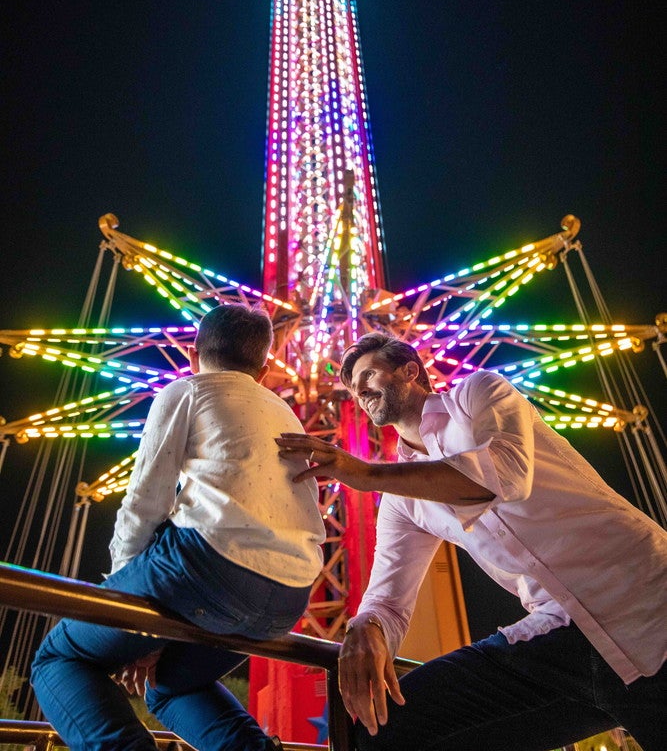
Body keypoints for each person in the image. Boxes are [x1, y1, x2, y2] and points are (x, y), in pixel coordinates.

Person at [276, 332, 667, 751]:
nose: (360, 390)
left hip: (642, 598)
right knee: (385, 735)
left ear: (410, 371)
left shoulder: (479, 392)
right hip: (560, 637)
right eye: (353, 386)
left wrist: (366, 474)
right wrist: (365, 628)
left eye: (368, 374)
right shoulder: (401, 502)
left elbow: (506, 475)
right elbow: (387, 601)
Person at [32, 303, 325, 751]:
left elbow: (145, 502)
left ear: (192, 355)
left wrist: (130, 611)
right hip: (290, 595)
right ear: (264, 370)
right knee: (169, 686)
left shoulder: (187, 391)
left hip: (205, 564)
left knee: (58, 658)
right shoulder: (285, 411)